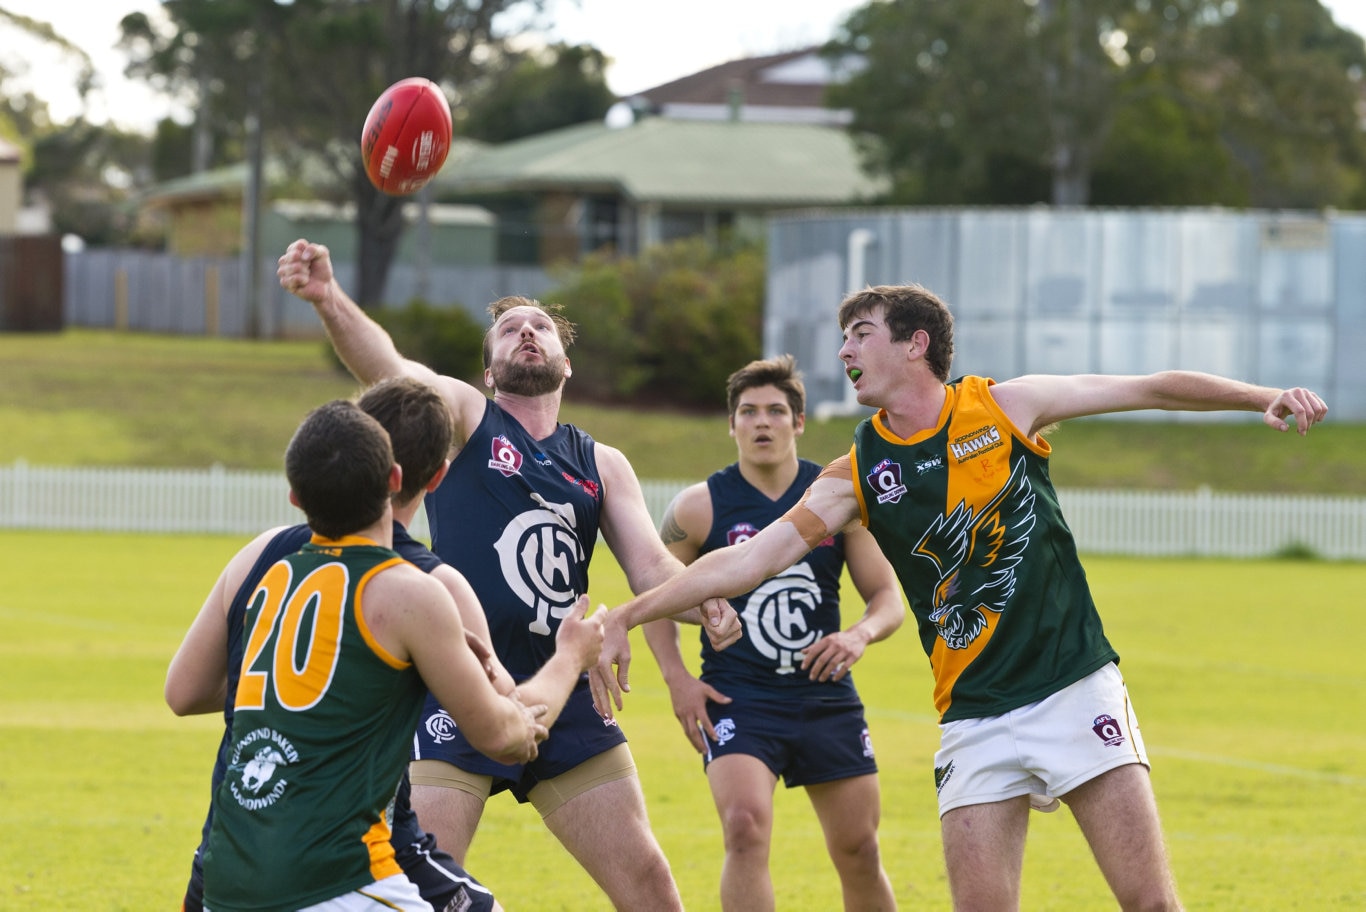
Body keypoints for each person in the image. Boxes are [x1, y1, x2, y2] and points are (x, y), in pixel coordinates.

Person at [599, 283, 1329, 911]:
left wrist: (1260, 397)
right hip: (975, 718)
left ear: (915, 345)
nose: (845, 352)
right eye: (843, 337)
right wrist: (630, 613)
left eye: (860, 335)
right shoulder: (857, 473)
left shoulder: (1007, 407)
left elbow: (1149, 386)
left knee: (1149, 900)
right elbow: (750, 559)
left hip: (1073, 689)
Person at [277, 238, 741, 911]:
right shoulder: (467, 418)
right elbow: (389, 369)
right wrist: (328, 298)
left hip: (569, 691)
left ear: (565, 363)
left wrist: (706, 606)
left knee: (651, 889)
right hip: (457, 683)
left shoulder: (602, 461)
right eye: (509, 328)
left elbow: (650, 565)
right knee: (416, 892)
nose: (528, 331)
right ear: (489, 371)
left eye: (542, 326)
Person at [167, 397, 603, 912]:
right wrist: (570, 656)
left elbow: (184, 692)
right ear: (395, 479)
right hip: (334, 878)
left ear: (293, 495)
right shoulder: (410, 590)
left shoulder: (260, 562)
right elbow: (506, 737)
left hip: (222, 874)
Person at [641, 354, 905, 911]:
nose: (763, 422)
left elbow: (887, 599)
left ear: (799, 422)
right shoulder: (699, 507)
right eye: (749, 411)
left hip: (824, 694)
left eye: (776, 411)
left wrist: (858, 635)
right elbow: (657, 597)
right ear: (731, 424)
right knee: (744, 828)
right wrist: (677, 679)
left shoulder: (836, 495)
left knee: (859, 848)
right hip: (738, 695)